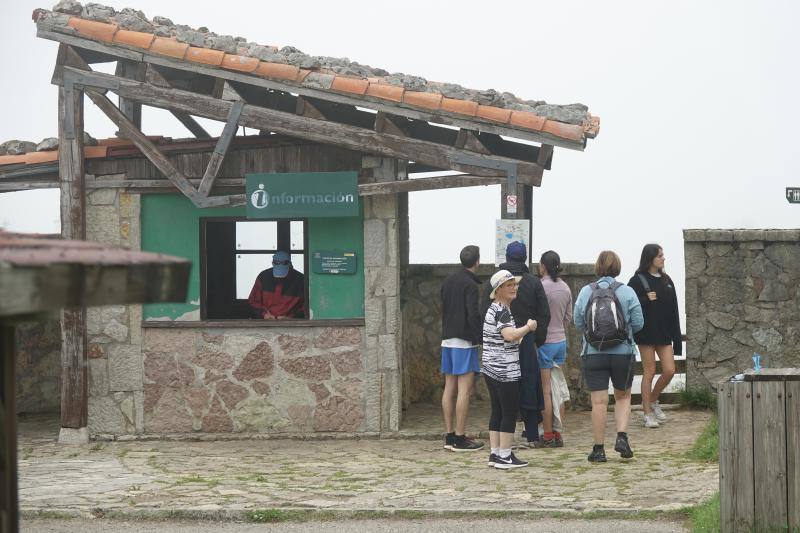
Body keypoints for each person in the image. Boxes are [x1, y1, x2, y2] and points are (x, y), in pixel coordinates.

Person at [574, 251, 643, 463]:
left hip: (594, 353)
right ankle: (621, 437)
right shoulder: (628, 291)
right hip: (622, 352)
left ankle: (598, 449)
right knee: (623, 397)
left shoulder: (586, 292)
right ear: (617, 267)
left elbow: (578, 322)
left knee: (599, 402)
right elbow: (639, 323)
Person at [484, 241, 550, 449]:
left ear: (506, 256)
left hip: (499, 346)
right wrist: (535, 338)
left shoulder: (495, 284)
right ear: (525, 258)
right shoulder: (532, 282)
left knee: (501, 399)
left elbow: (482, 311)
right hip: (525, 339)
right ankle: (531, 435)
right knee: (529, 386)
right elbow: (544, 314)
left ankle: (500, 448)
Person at [483, 269, 537, 469]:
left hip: (491, 367)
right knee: (509, 411)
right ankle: (505, 455)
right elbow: (508, 335)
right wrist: (528, 327)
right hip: (504, 369)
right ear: (498, 290)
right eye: (509, 285)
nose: (514, 288)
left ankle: (495, 453)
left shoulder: (493, 308)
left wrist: (517, 335)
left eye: (515, 284)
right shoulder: (502, 310)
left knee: (497, 411)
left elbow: (504, 336)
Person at [627, 244, 682, 429]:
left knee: (669, 370)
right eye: (660, 255)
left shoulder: (667, 280)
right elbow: (629, 307)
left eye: (663, 255)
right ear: (650, 258)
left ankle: (652, 400)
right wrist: (644, 299)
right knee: (649, 372)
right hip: (646, 334)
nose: (663, 258)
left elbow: (674, 310)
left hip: (664, 333)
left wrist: (677, 339)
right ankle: (647, 414)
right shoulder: (636, 281)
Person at [439, 245, 484, 452]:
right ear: (477, 262)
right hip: (464, 342)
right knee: (464, 390)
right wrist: (480, 337)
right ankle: (460, 437)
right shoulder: (471, 285)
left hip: (447, 340)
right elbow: (472, 315)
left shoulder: (448, 281)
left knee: (449, 388)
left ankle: (449, 435)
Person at [537, 250, 573, 447]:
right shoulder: (565, 288)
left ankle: (548, 432)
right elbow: (568, 317)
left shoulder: (541, 287)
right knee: (558, 387)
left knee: (546, 391)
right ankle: (559, 432)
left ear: (543, 265)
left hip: (545, 343)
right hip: (561, 341)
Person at [248, 251, 305, 319]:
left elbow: (307, 306)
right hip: (265, 322)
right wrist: (264, 315)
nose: (280, 278)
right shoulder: (263, 277)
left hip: (292, 323)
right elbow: (253, 302)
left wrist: (290, 317)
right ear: (272, 263)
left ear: (290, 264)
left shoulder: (301, 280)